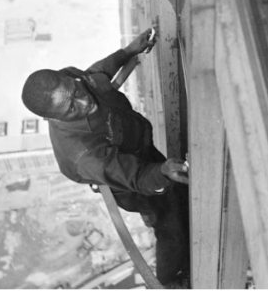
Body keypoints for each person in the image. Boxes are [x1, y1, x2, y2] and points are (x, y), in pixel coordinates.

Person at [21, 29, 190, 285]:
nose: (85, 101)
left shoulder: (70, 82)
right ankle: (168, 281)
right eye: (71, 108)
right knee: (171, 227)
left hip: (140, 148)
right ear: (52, 118)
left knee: (173, 192)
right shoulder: (82, 153)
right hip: (128, 183)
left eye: (76, 91)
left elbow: (95, 75)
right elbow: (136, 176)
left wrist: (129, 50)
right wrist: (163, 172)